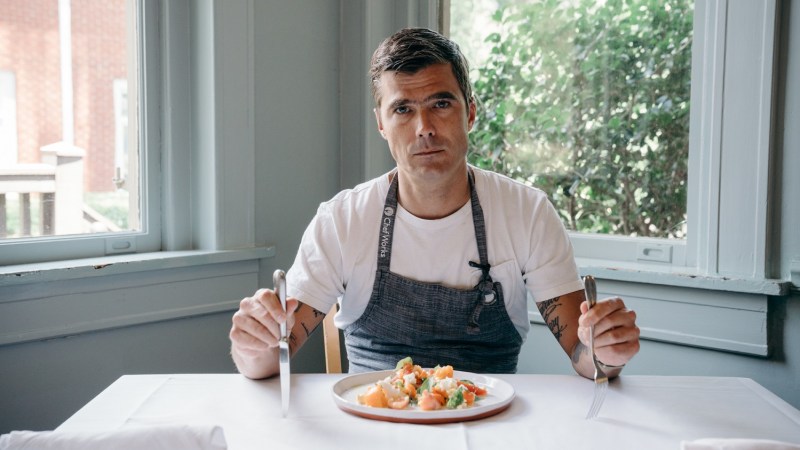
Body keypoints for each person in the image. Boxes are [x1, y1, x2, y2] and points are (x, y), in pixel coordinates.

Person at [229, 27, 639, 379]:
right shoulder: (342, 219)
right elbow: (270, 360)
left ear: (471, 113)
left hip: (491, 427)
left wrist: (605, 350)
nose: (424, 128)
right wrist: (255, 344)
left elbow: (584, 358)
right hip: (371, 427)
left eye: (441, 104)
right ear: (381, 125)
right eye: (403, 109)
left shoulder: (527, 212)